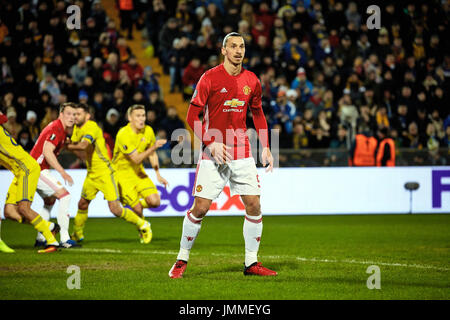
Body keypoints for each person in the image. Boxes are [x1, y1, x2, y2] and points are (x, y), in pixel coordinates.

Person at [168, 32, 277, 279]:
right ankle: (181, 259)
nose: (239, 50)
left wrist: (267, 146)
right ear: (224, 50)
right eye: (233, 46)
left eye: (242, 46)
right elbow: (191, 117)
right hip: (212, 151)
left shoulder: (252, 80)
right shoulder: (210, 78)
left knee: (254, 204)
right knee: (201, 208)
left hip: (241, 150)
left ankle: (251, 263)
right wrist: (210, 143)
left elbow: (258, 114)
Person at [66, 103, 152, 243]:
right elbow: (75, 146)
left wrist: (64, 145)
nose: (75, 117)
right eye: (74, 114)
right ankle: (77, 233)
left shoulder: (92, 127)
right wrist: (67, 143)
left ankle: (143, 224)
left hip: (105, 173)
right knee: (82, 203)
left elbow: (82, 146)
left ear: (87, 116)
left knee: (115, 209)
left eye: (79, 114)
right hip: (92, 173)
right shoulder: (77, 128)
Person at [0, 111, 60, 253]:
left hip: (27, 169)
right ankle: (49, 227)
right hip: (19, 171)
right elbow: (3, 117)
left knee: (23, 208)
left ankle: (52, 242)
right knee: (9, 212)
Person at [112, 104, 168, 243]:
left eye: (143, 115)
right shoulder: (123, 134)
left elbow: (152, 153)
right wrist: (154, 146)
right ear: (130, 118)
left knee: (155, 202)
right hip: (121, 174)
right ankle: (143, 228)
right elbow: (136, 158)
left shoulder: (148, 130)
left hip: (138, 171)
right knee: (137, 209)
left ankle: (134, 206)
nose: (142, 119)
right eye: (138, 116)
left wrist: (158, 174)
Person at [29, 102, 78, 248]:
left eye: (74, 114)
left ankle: (41, 238)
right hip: (37, 169)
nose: (72, 117)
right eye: (68, 113)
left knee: (49, 201)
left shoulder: (60, 129)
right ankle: (64, 238)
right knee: (65, 196)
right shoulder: (57, 128)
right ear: (61, 114)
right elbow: (47, 151)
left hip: (34, 168)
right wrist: (63, 172)